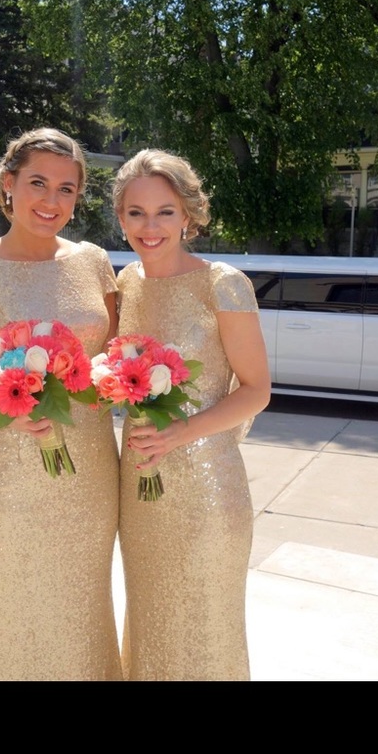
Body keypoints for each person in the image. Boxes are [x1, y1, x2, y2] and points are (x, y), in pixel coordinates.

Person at [0, 128, 122, 681]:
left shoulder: (94, 263)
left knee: (80, 611)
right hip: (2, 478)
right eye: (37, 183)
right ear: (7, 184)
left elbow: (111, 355)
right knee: (8, 616)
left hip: (89, 473)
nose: (51, 201)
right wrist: (8, 410)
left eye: (66, 189)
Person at [113, 149, 271, 681]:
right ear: (120, 217)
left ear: (189, 215)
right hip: (139, 487)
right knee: (153, 618)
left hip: (207, 487)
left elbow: (256, 391)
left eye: (164, 211)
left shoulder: (222, 283)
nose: (150, 226)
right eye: (136, 213)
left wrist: (182, 433)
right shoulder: (126, 285)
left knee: (204, 624)